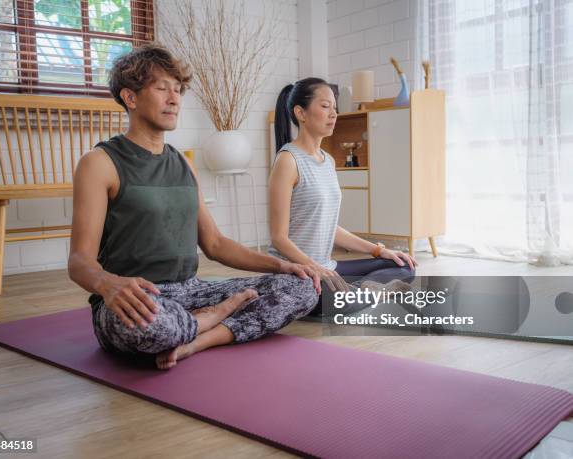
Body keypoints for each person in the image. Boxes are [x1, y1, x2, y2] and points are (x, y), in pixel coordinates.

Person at [68, 45, 320, 370]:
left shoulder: (184, 165)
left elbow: (214, 244)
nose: (174, 99)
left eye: (178, 89)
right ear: (130, 98)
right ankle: (217, 316)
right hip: (138, 299)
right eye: (162, 88)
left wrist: (281, 266)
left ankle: (200, 338)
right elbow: (79, 262)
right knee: (152, 325)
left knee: (302, 288)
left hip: (192, 291)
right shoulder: (99, 163)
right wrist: (107, 284)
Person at [268, 77, 417, 301]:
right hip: (298, 273)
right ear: (301, 113)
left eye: (334, 108)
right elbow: (279, 238)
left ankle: (359, 293)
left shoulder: (327, 161)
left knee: (403, 265)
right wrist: (315, 268)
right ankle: (360, 294)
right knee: (330, 297)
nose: (333, 114)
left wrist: (379, 250)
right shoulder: (288, 160)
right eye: (325, 106)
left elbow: (330, 227)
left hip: (328, 268)